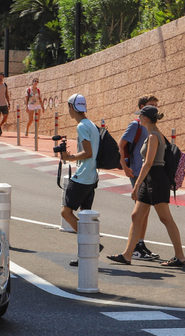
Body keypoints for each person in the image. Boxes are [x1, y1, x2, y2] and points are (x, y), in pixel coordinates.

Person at [107, 106, 185, 267]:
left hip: (156, 179)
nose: (139, 118)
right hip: (151, 180)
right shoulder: (155, 134)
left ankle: (180, 257)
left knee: (165, 218)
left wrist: (136, 185)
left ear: (146, 118)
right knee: (136, 216)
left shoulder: (153, 136)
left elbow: (149, 163)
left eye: (140, 116)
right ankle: (127, 255)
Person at [59, 93, 101, 267]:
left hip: (82, 177)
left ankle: (92, 244)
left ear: (71, 107)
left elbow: (88, 152)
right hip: (91, 176)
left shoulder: (82, 126)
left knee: (66, 213)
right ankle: (86, 252)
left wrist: (69, 158)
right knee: (84, 216)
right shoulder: (91, 124)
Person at [117, 94, 160, 260]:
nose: (155, 107)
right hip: (137, 171)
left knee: (145, 211)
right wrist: (124, 167)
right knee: (140, 211)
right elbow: (121, 144)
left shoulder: (150, 125)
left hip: (146, 172)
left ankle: (140, 244)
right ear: (142, 107)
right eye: (152, 105)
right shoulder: (136, 125)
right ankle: (135, 247)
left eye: (156, 105)